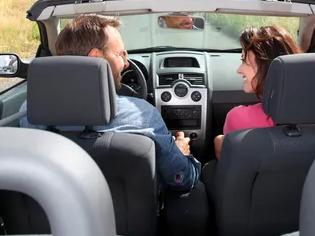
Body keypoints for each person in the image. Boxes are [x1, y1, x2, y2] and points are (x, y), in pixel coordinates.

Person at [19, 14, 201, 192]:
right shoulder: (142, 116)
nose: (126, 63)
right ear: (96, 58)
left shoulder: (31, 111)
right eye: (120, 54)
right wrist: (181, 153)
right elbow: (181, 179)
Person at [213, 25, 302, 159]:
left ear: (266, 67)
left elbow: (230, 162)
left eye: (245, 61)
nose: (239, 69)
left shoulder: (239, 118)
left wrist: (218, 141)